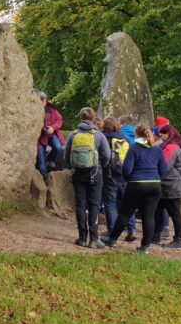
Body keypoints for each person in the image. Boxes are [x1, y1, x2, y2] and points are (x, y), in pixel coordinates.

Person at [101, 125, 168, 254]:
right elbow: (163, 169)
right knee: (149, 216)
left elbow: (126, 169)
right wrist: (155, 177)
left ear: (136, 135)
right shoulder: (157, 150)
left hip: (136, 184)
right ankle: (145, 247)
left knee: (125, 213)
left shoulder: (134, 148)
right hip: (154, 185)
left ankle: (112, 239)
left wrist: (129, 179)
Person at [65, 107, 111, 249]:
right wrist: (100, 166)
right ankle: (94, 239)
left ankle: (82, 238)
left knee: (80, 205)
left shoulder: (73, 135)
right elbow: (107, 156)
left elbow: (66, 155)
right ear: (93, 118)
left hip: (78, 174)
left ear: (81, 117)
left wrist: (73, 168)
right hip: (95, 173)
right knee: (94, 205)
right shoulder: (98, 135)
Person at [152, 124, 181, 249]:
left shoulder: (171, 147)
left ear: (170, 134)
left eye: (163, 133)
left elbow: (164, 166)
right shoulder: (169, 146)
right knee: (157, 209)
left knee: (174, 212)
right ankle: (155, 235)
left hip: (171, 185)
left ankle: (178, 240)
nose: (160, 135)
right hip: (166, 185)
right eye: (160, 132)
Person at [101, 117, 129, 237]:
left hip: (110, 173)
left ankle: (112, 230)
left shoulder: (105, 137)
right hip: (124, 173)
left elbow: (104, 155)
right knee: (126, 203)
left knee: (110, 203)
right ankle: (130, 229)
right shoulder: (124, 137)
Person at [35, 91, 66, 178]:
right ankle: (45, 180)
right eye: (42, 101)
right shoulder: (34, 110)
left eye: (44, 100)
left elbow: (60, 120)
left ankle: (50, 159)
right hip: (41, 138)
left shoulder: (51, 108)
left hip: (52, 134)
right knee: (41, 162)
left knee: (59, 148)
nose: (44, 103)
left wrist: (53, 128)